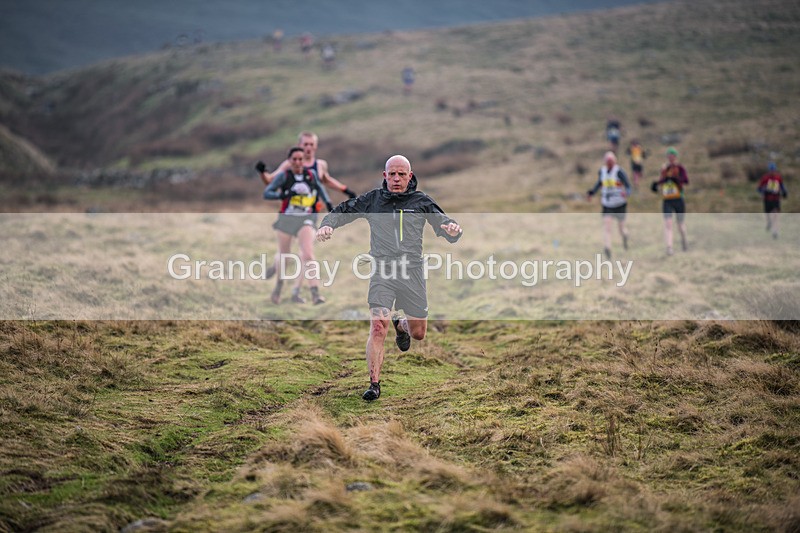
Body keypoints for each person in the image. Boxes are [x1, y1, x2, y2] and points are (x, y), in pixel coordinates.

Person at [316, 155, 462, 401]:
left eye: (401, 174)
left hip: (412, 272)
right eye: (392, 174)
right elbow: (343, 210)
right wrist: (327, 224)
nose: (396, 179)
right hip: (383, 270)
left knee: (418, 333)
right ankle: (374, 384)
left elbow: (445, 225)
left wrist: (453, 230)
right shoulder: (374, 200)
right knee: (377, 325)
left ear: (409, 176)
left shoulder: (421, 201)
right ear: (385, 175)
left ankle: (401, 324)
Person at [255, 132, 357, 297]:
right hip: (290, 214)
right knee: (287, 255)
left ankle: (300, 291)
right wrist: (263, 173)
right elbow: (270, 182)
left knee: (306, 254)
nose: (308, 147)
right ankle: (278, 268)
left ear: (315, 146)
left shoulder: (320, 165)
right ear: (299, 145)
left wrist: (345, 190)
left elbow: (326, 181)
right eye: (305, 144)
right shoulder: (289, 164)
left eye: (311, 144)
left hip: (311, 214)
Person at [262, 147, 331, 305]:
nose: (298, 162)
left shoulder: (311, 175)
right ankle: (278, 288)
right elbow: (267, 193)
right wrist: (283, 195)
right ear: (289, 161)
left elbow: (321, 189)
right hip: (286, 220)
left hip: (306, 219)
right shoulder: (284, 176)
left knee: (308, 254)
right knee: (285, 257)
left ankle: (315, 294)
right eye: (294, 159)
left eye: (301, 159)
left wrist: (329, 204)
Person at [587, 151, 631, 259]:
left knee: (621, 228)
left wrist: (627, 193)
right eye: (607, 161)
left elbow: (628, 186)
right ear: (605, 162)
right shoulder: (602, 171)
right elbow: (599, 183)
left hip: (620, 204)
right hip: (607, 204)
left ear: (615, 161)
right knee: (607, 227)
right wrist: (592, 193)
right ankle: (608, 248)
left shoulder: (619, 172)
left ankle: (625, 236)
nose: (609, 163)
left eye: (611, 161)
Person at [651, 147, 689, 255]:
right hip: (667, 200)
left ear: (675, 157)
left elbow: (686, 180)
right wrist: (656, 185)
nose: (671, 158)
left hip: (678, 198)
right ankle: (669, 247)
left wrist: (676, 179)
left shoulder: (680, 168)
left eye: (672, 156)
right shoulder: (664, 169)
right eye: (669, 156)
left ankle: (684, 240)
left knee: (680, 224)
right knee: (668, 223)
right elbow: (662, 180)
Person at [757, 161, 788, 239]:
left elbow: (782, 186)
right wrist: (764, 190)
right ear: (769, 170)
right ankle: (769, 223)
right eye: (771, 170)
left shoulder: (778, 177)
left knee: (775, 215)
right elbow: (759, 188)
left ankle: (775, 232)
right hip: (767, 199)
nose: (772, 172)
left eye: (773, 170)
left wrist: (784, 192)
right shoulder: (765, 178)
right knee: (768, 215)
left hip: (776, 199)